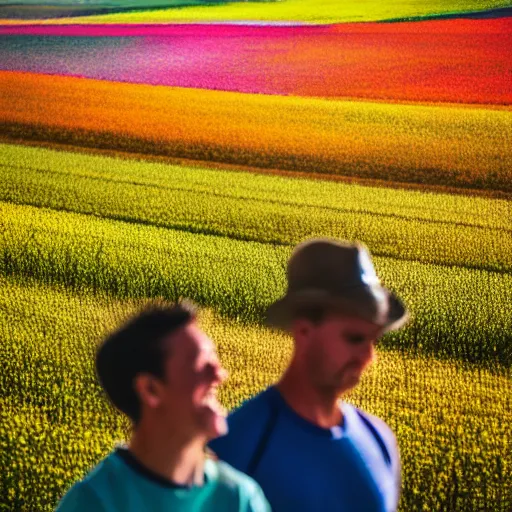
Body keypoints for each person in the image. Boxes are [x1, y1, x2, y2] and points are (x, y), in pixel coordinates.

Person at [210, 239, 409, 512]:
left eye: (373, 340)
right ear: (303, 332)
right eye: (354, 338)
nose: (368, 357)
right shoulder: (237, 446)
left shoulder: (380, 440)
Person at [56, 302, 270, 512]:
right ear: (151, 390)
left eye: (215, 362)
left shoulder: (240, 499)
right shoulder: (94, 503)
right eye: (201, 363)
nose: (219, 375)